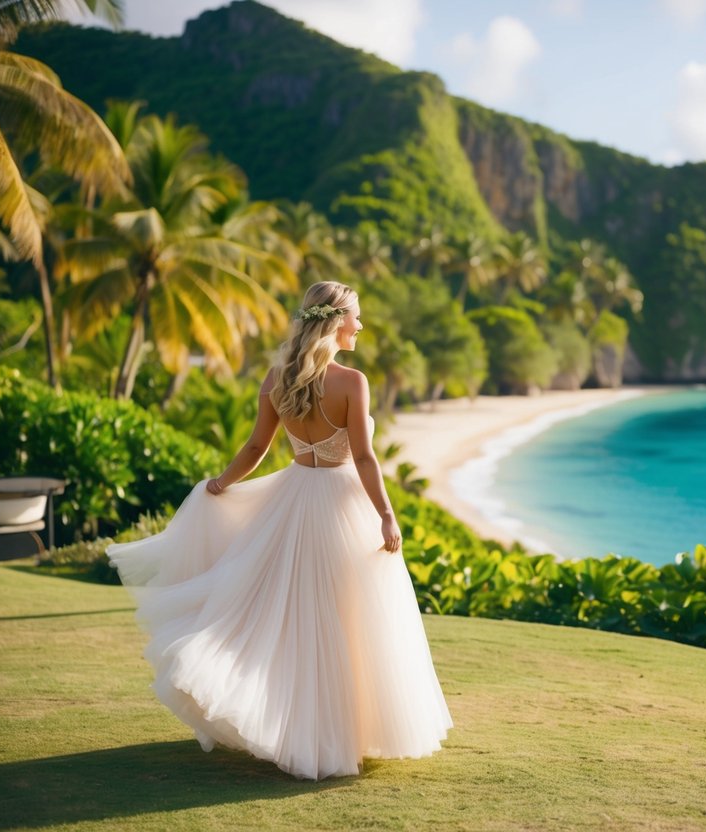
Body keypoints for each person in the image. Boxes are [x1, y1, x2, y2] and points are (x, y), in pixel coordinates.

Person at [107, 280, 453, 780]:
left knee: (291, 621)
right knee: (346, 622)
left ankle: (304, 731)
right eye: (357, 317)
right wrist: (386, 513)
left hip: (292, 501)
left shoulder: (276, 379)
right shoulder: (352, 383)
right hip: (341, 508)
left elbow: (254, 449)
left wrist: (220, 484)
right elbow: (363, 457)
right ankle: (333, 737)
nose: (361, 326)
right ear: (336, 322)